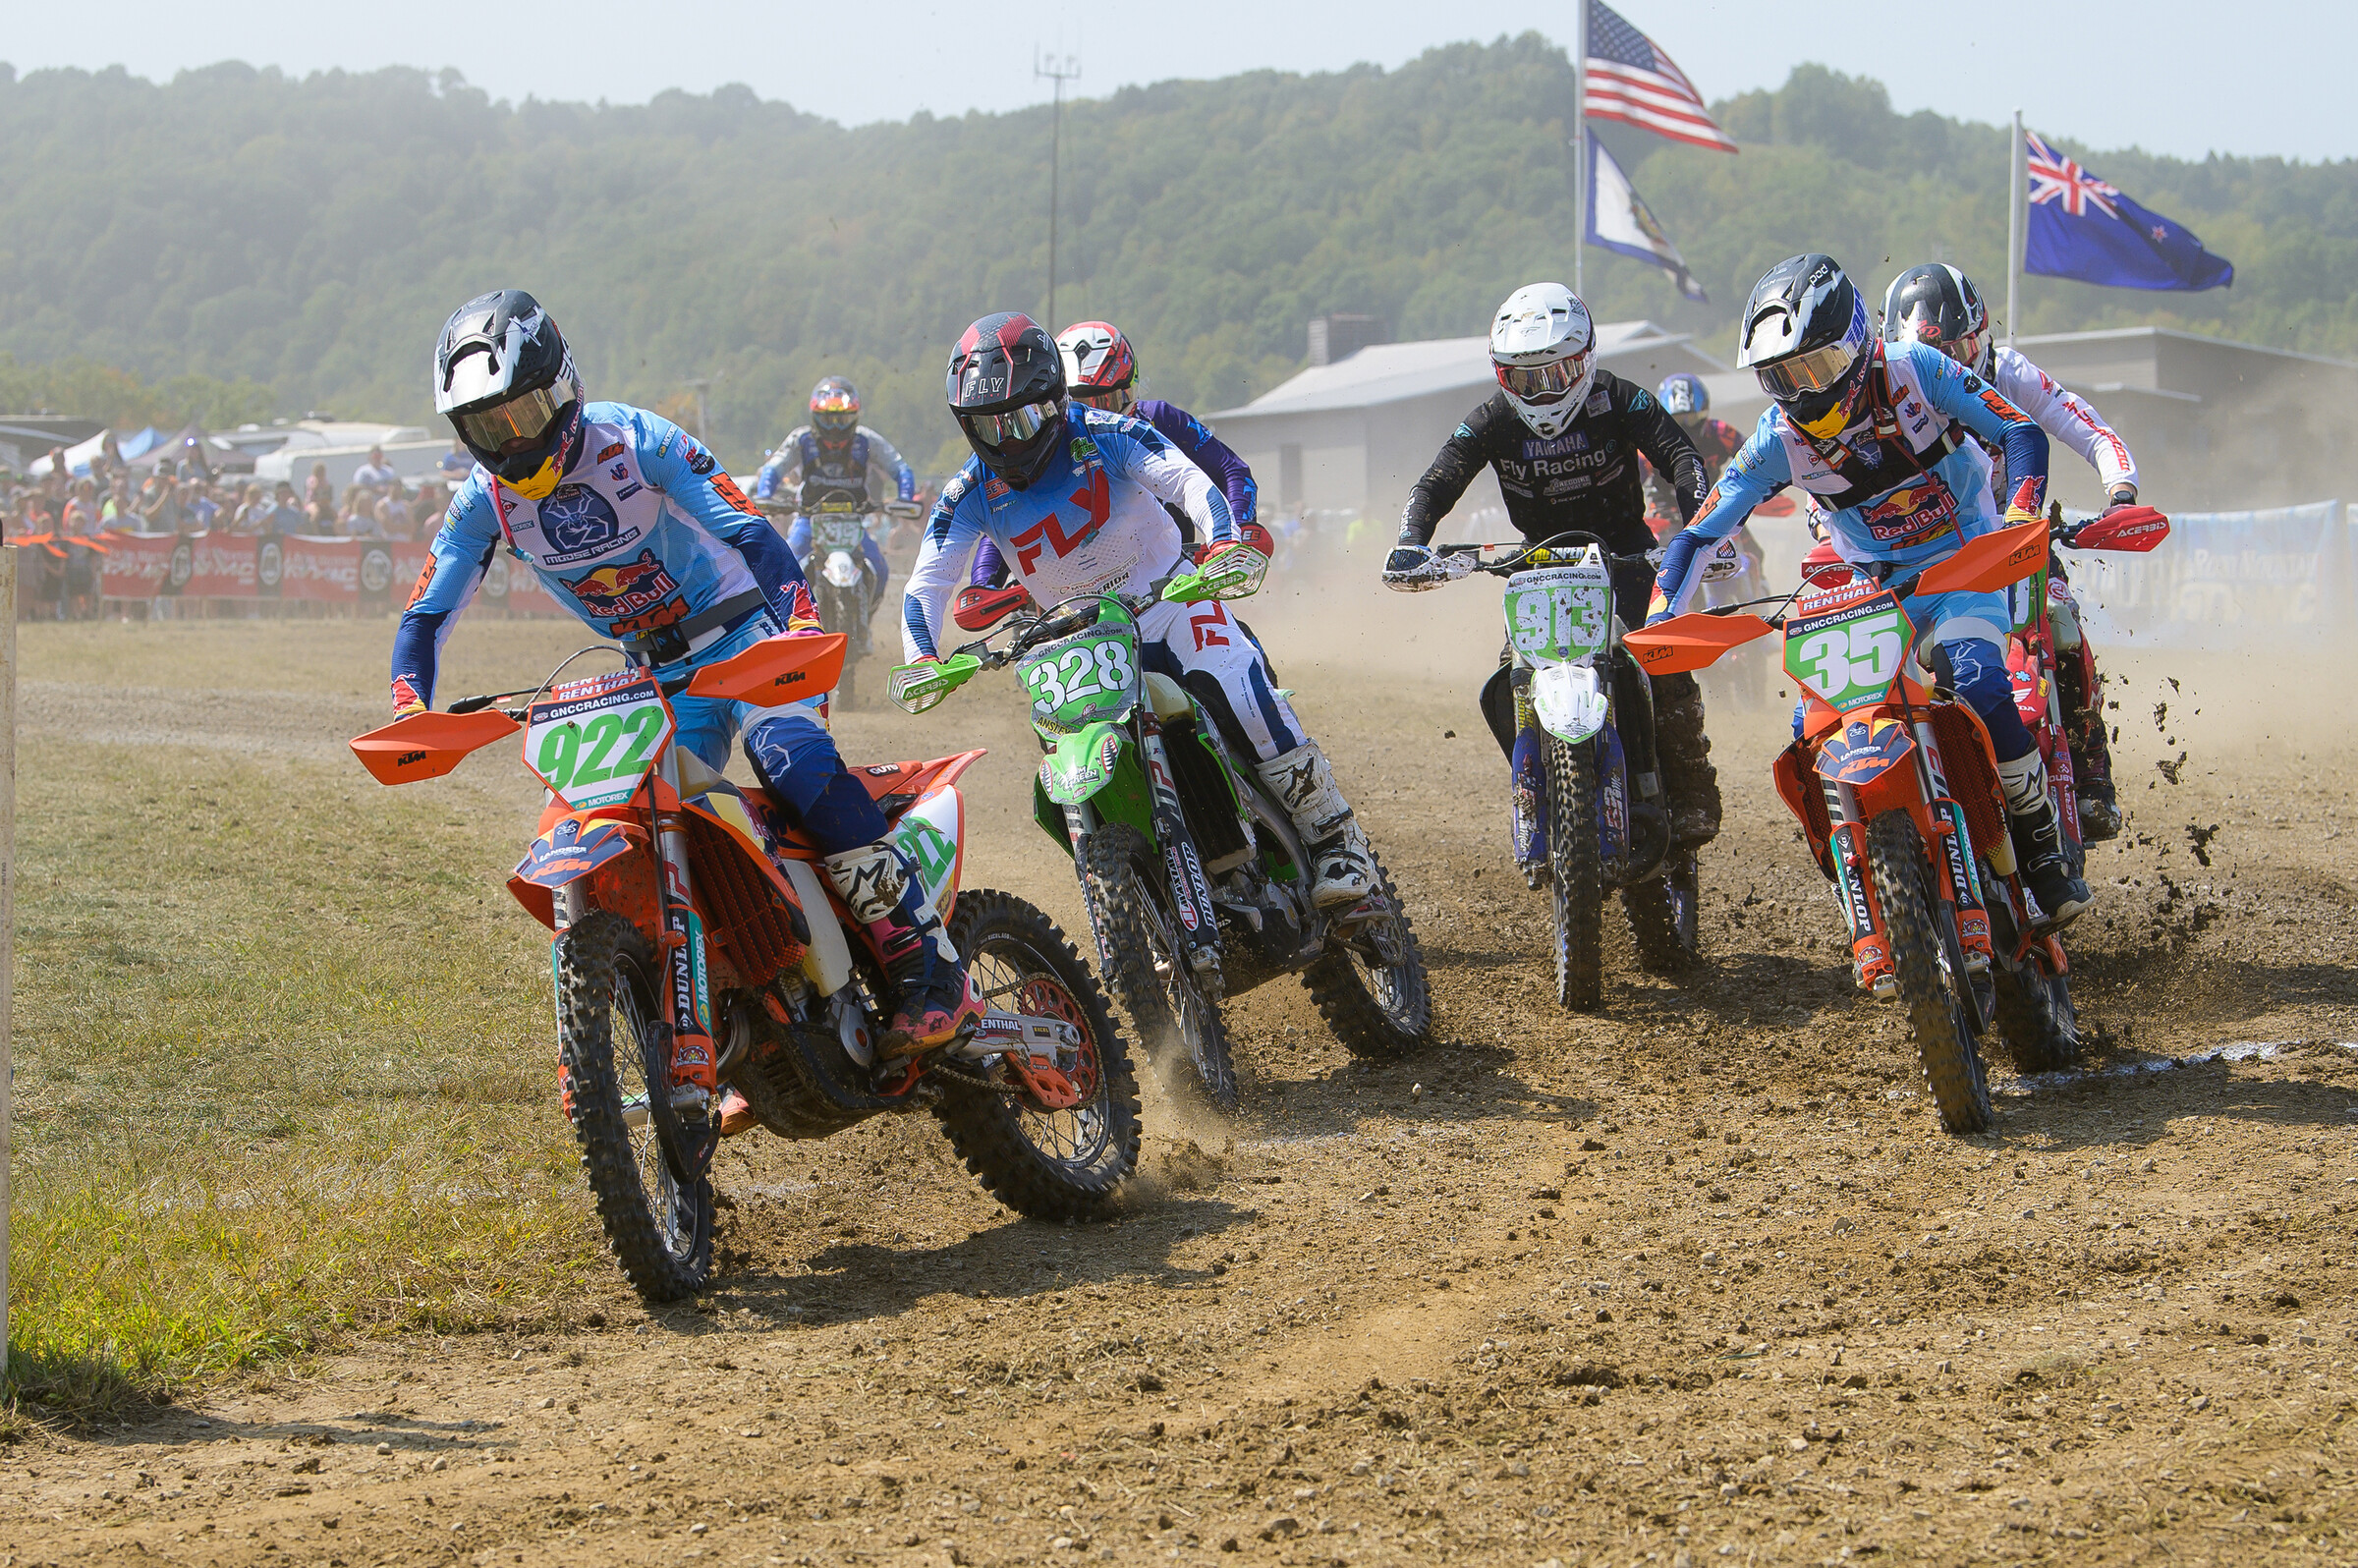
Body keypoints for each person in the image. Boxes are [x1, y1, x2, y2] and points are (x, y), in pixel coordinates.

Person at [394, 290, 981, 1119]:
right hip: (652, 675)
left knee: (789, 764)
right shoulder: (482, 504)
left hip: (748, 631)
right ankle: (736, 1018)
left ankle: (927, 964)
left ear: (560, 390)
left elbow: (747, 528)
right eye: (488, 427)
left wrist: (801, 618)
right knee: (645, 813)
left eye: (522, 413)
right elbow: (426, 614)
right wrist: (408, 702)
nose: (513, 440)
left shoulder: (636, 442)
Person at [1649, 252, 2091, 927]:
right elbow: (1700, 533)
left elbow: (2020, 430)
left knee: (1975, 682)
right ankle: (1862, 887)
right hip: (1870, 589)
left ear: (1856, 344)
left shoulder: (1917, 371)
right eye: (1780, 378)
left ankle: (2039, 848)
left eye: (1814, 369)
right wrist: (1661, 615)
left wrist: (2025, 512)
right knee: (1813, 730)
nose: (1802, 393)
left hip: (1962, 567)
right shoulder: (1779, 437)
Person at [902, 311, 1376, 909]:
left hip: (1169, 601)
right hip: (1075, 637)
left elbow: (1193, 483)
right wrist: (920, 655)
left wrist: (1225, 540)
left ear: (1051, 400)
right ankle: (1136, 901)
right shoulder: (967, 491)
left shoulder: (1106, 431)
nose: (1008, 438)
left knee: (1236, 686)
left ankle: (1336, 837)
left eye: (1020, 417)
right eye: (987, 425)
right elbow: (926, 583)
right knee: (1066, 754)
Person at [1381, 282, 1723, 870]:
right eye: (1524, 378)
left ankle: (1691, 785)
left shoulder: (1619, 399)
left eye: (1557, 373)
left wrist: (1703, 528)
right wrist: (1411, 541)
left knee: (1661, 656)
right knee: (1512, 673)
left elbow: (1682, 457)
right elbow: (1437, 482)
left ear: (1585, 358)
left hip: (1625, 556)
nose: (1542, 392)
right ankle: (1539, 787)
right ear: (1500, 375)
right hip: (1538, 566)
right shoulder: (1490, 419)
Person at [1881, 262, 2132, 842]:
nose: (1947, 360)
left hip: (2017, 542)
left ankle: (2090, 757)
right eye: (1929, 348)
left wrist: (2119, 490)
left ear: (1981, 336)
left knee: (2062, 625)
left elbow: (2087, 428)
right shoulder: (1886, 391)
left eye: (1957, 344)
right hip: (1930, 557)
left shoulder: (2007, 373)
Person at [958, 320, 1273, 622]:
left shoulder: (1159, 418)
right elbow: (1006, 515)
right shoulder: (1036, 451)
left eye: (1104, 400)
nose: (1092, 414)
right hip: (1070, 593)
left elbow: (1231, 469)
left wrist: (1239, 528)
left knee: (1233, 645)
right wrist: (986, 582)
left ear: (1131, 391)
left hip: (1172, 574)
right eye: (1078, 402)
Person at [754, 376, 911, 605]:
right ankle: (789, 621)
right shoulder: (801, 439)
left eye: (842, 418)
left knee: (880, 569)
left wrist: (905, 497)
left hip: (853, 522)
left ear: (854, 416)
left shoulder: (866, 439)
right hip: (809, 519)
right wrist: (765, 497)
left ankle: (867, 610)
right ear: (816, 417)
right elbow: (773, 469)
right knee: (785, 568)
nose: (836, 426)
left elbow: (899, 467)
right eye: (829, 419)